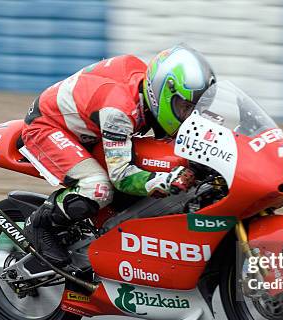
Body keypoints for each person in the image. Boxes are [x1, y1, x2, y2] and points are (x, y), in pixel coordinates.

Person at [21, 44, 217, 267]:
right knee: (98, 188)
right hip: (48, 127)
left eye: (195, 108)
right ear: (164, 92)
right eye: (185, 106)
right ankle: (39, 223)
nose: (189, 114)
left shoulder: (148, 90)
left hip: (90, 128)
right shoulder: (119, 110)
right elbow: (122, 176)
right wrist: (165, 180)